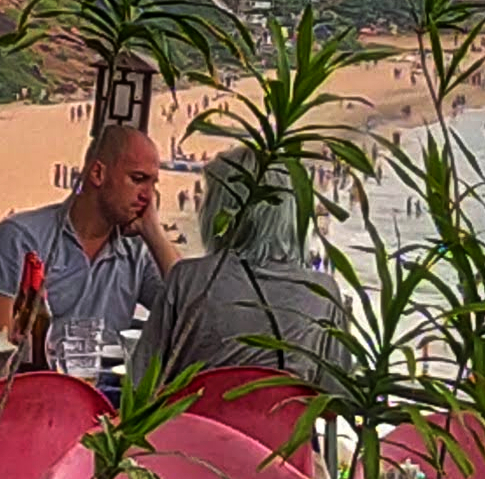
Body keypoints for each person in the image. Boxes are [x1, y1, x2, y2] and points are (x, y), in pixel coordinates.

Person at [132, 147, 341, 384]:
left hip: (196, 419)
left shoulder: (188, 279)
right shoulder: (324, 294)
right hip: (286, 421)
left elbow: (141, 382)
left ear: (221, 211)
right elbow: (333, 402)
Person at [0, 122, 182, 351]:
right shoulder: (20, 238)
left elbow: (190, 311)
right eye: (138, 179)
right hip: (31, 380)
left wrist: (154, 233)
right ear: (98, 173)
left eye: (153, 185)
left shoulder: (136, 252)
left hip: (103, 384)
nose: (148, 197)